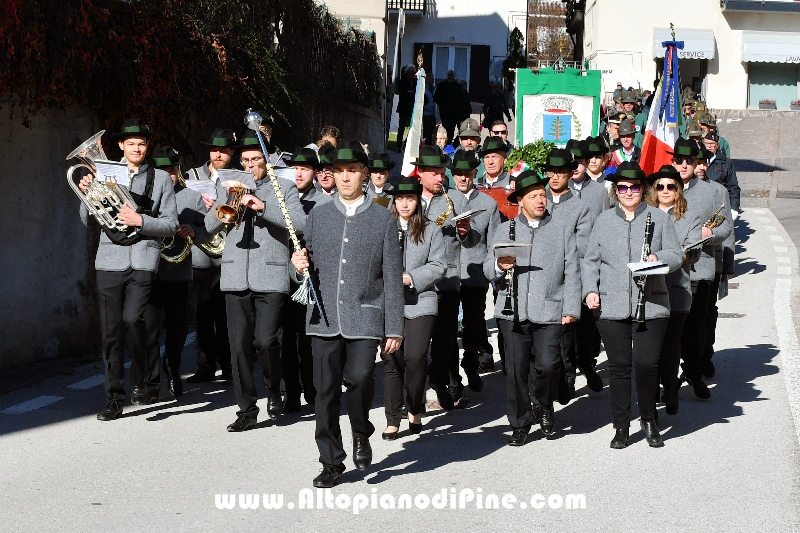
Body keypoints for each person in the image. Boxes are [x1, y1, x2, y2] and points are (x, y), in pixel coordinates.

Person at [290, 140, 404, 488]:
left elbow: (393, 277)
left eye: (351, 171)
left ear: (364, 174)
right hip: (322, 317)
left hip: (365, 315)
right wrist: (296, 266)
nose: (344, 178)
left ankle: (360, 429)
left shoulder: (383, 218)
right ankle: (330, 461)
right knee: (324, 393)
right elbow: (303, 269)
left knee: (359, 379)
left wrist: (394, 327)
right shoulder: (317, 216)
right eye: (339, 172)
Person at [205, 129, 307, 432]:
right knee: (238, 347)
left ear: (267, 161)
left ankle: (274, 389)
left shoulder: (284, 187)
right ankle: (246, 410)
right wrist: (225, 203)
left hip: (271, 274)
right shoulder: (229, 186)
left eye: (256, 160)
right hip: (235, 275)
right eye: (246, 160)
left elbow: (299, 224)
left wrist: (262, 206)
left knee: (266, 342)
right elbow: (210, 226)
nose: (251, 166)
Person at [78, 119, 178, 420]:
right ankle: (113, 398)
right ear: (121, 145)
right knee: (110, 332)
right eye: (131, 143)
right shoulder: (105, 172)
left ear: (147, 147)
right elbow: (88, 220)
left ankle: (145, 380)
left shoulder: (160, 179)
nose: (137, 147)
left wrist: (142, 221)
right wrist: (87, 193)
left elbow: (171, 225)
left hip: (144, 260)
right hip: (110, 260)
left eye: (142, 143)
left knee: (134, 320)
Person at [582, 161, 683, 448]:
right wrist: (590, 290)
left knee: (647, 363)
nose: (628, 192)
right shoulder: (603, 221)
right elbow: (590, 261)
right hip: (611, 305)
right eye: (623, 187)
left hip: (651, 303)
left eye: (634, 187)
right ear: (616, 190)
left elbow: (676, 254)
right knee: (619, 367)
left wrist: (658, 258)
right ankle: (621, 426)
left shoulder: (659, 219)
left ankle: (649, 419)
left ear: (643, 189)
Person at [486, 170, 581, 445]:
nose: (540, 200)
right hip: (511, 310)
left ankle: (544, 403)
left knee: (550, 365)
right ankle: (520, 423)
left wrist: (571, 307)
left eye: (542, 194)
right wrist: (498, 265)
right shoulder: (506, 229)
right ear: (521, 201)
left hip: (550, 308)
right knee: (515, 370)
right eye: (533, 196)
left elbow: (573, 270)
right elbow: (486, 266)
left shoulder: (561, 228)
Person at [381, 175, 447, 440]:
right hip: (390, 302)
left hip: (422, 300)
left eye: (409, 199)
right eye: (399, 199)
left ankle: (415, 406)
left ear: (418, 201)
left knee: (416, 356)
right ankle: (392, 418)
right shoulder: (384, 227)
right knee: (391, 359)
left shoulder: (431, 229)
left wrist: (411, 277)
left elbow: (439, 265)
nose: (404, 204)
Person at [415, 145, 479, 408]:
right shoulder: (407, 199)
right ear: (420, 173)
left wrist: (464, 232)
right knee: (417, 345)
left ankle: (439, 378)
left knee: (446, 339)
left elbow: (472, 240)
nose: (441, 178)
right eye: (435, 173)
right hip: (416, 281)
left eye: (442, 173)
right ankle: (420, 393)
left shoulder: (454, 201)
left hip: (447, 278)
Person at [145, 146, 211, 399]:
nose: (169, 175)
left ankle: (172, 367)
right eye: (163, 170)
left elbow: (205, 229)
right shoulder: (145, 195)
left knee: (178, 328)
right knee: (149, 328)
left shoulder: (192, 197)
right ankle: (151, 381)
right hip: (150, 271)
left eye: (172, 170)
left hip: (178, 272)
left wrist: (192, 228)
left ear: (178, 170)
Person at [672, 138, 733, 400]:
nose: (684, 164)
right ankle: (669, 378)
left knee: (697, 328)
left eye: (689, 160)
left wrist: (710, 233)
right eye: (679, 160)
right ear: (672, 161)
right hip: (669, 271)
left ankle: (695, 374)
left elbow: (727, 228)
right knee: (672, 330)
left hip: (700, 270)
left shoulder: (713, 192)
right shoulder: (661, 187)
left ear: (697, 162)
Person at [644, 165, 702, 415]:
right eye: (660, 186)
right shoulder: (644, 214)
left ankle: (670, 388)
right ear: (653, 190)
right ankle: (655, 387)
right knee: (651, 347)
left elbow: (695, 251)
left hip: (677, 289)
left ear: (678, 190)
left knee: (670, 344)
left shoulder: (690, 217)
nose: (665, 190)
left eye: (670, 186)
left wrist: (677, 254)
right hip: (648, 290)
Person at [544, 148, 600, 401]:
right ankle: (558, 380)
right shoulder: (537, 198)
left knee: (574, 334)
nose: (555, 177)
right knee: (550, 337)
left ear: (569, 173)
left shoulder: (580, 207)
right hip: (541, 280)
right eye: (551, 172)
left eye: (561, 172)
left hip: (570, 279)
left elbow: (585, 246)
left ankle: (576, 371)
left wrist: (558, 252)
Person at [281, 147, 332, 412]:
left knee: (307, 337)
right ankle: (290, 391)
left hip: (309, 278)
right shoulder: (280, 197)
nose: (298, 174)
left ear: (314, 173)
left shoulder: (323, 202)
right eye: (294, 169)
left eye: (304, 169)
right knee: (284, 338)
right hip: (281, 277)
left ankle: (312, 388)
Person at [184, 128, 236, 383]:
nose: (218, 154)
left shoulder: (237, 178)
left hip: (227, 250)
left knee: (225, 313)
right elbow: (181, 207)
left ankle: (228, 365)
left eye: (223, 150)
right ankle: (205, 366)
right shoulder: (192, 176)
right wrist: (200, 205)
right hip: (200, 250)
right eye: (214, 150)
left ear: (231, 153)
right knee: (202, 313)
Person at [449, 150, 501, 385]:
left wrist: (493, 273)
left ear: (474, 173)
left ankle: (471, 364)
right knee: (447, 328)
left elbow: (493, 243)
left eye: (466, 173)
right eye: (458, 174)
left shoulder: (488, 203)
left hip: (477, 273)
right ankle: (452, 378)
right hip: (448, 273)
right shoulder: (445, 199)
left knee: (474, 325)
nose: (462, 178)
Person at [695, 147, 736, 383]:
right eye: (696, 162)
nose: (700, 167)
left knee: (708, 314)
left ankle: (705, 355)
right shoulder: (675, 189)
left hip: (713, 261)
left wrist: (727, 264)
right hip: (683, 266)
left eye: (703, 162)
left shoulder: (718, 190)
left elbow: (727, 228)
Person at [703, 131, 740, 218]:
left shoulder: (726, 163)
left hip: (719, 205)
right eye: (706, 143)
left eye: (712, 143)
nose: (709, 146)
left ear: (717, 145)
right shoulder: (698, 160)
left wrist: (734, 208)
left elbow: (733, 187)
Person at [434, 70, 463, 144]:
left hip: (454, 112)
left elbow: (461, 99)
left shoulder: (458, 86)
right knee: (445, 128)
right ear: (447, 76)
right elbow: (436, 98)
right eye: (449, 75)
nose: (450, 77)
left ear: (454, 76)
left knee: (452, 129)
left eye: (452, 75)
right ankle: (445, 143)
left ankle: (449, 143)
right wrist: (442, 105)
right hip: (444, 112)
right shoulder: (441, 85)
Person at [395, 65, 417, 153]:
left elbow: (415, 92)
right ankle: (398, 146)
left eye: (413, 72)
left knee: (412, 128)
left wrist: (410, 92)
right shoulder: (402, 81)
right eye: (411, 72)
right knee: (401, 128)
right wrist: (409, 92)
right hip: (404, 108)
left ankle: (407, 144)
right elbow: (402, 92)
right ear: (407, 73)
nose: (412, 74)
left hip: (412, 108)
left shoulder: (415, 82)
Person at [423, 75, 437, 145]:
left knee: (432, 132)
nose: (433, 81)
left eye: (433, 79)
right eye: (431, 79)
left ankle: (429, 146)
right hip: (426, 114)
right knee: (426, 131)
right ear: (427, 80)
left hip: (433, 114)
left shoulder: (434, 89)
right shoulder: (424, 89)